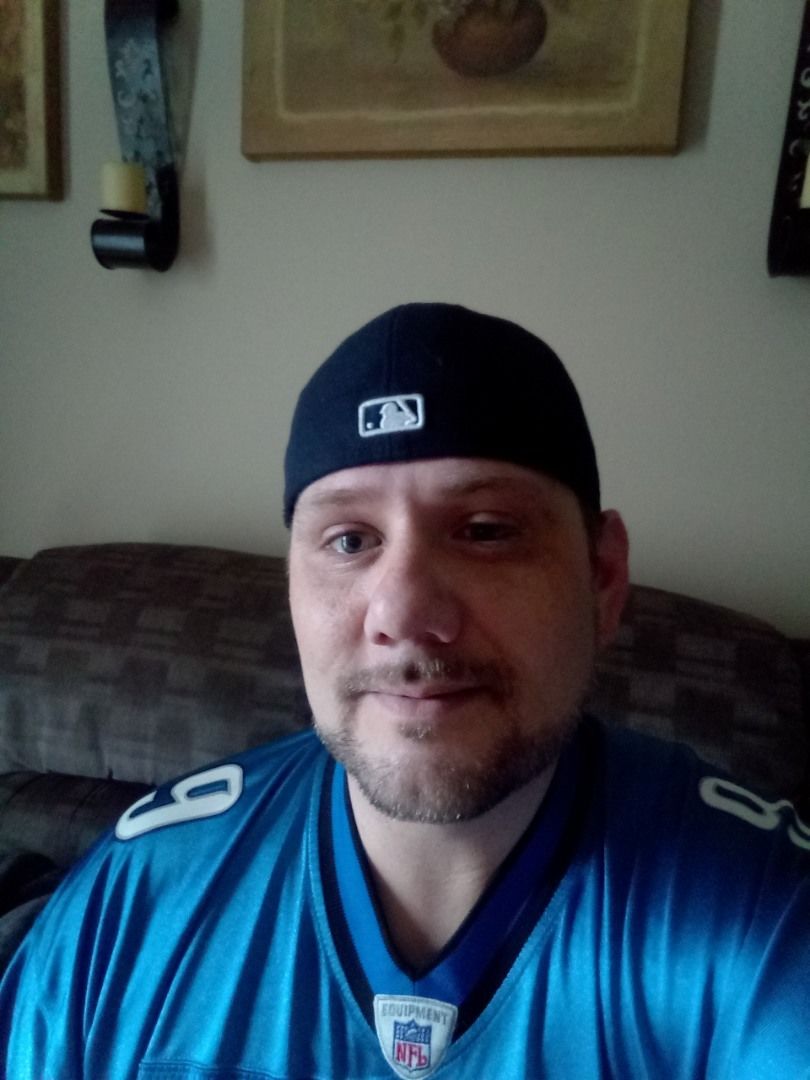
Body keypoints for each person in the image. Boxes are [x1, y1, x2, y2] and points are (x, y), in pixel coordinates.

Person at [1, 303, 808, 1079]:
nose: (404, 611)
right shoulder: (136, 897)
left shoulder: (765, 915)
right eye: (350, 539)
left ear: (602, 578)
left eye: (485, 531)